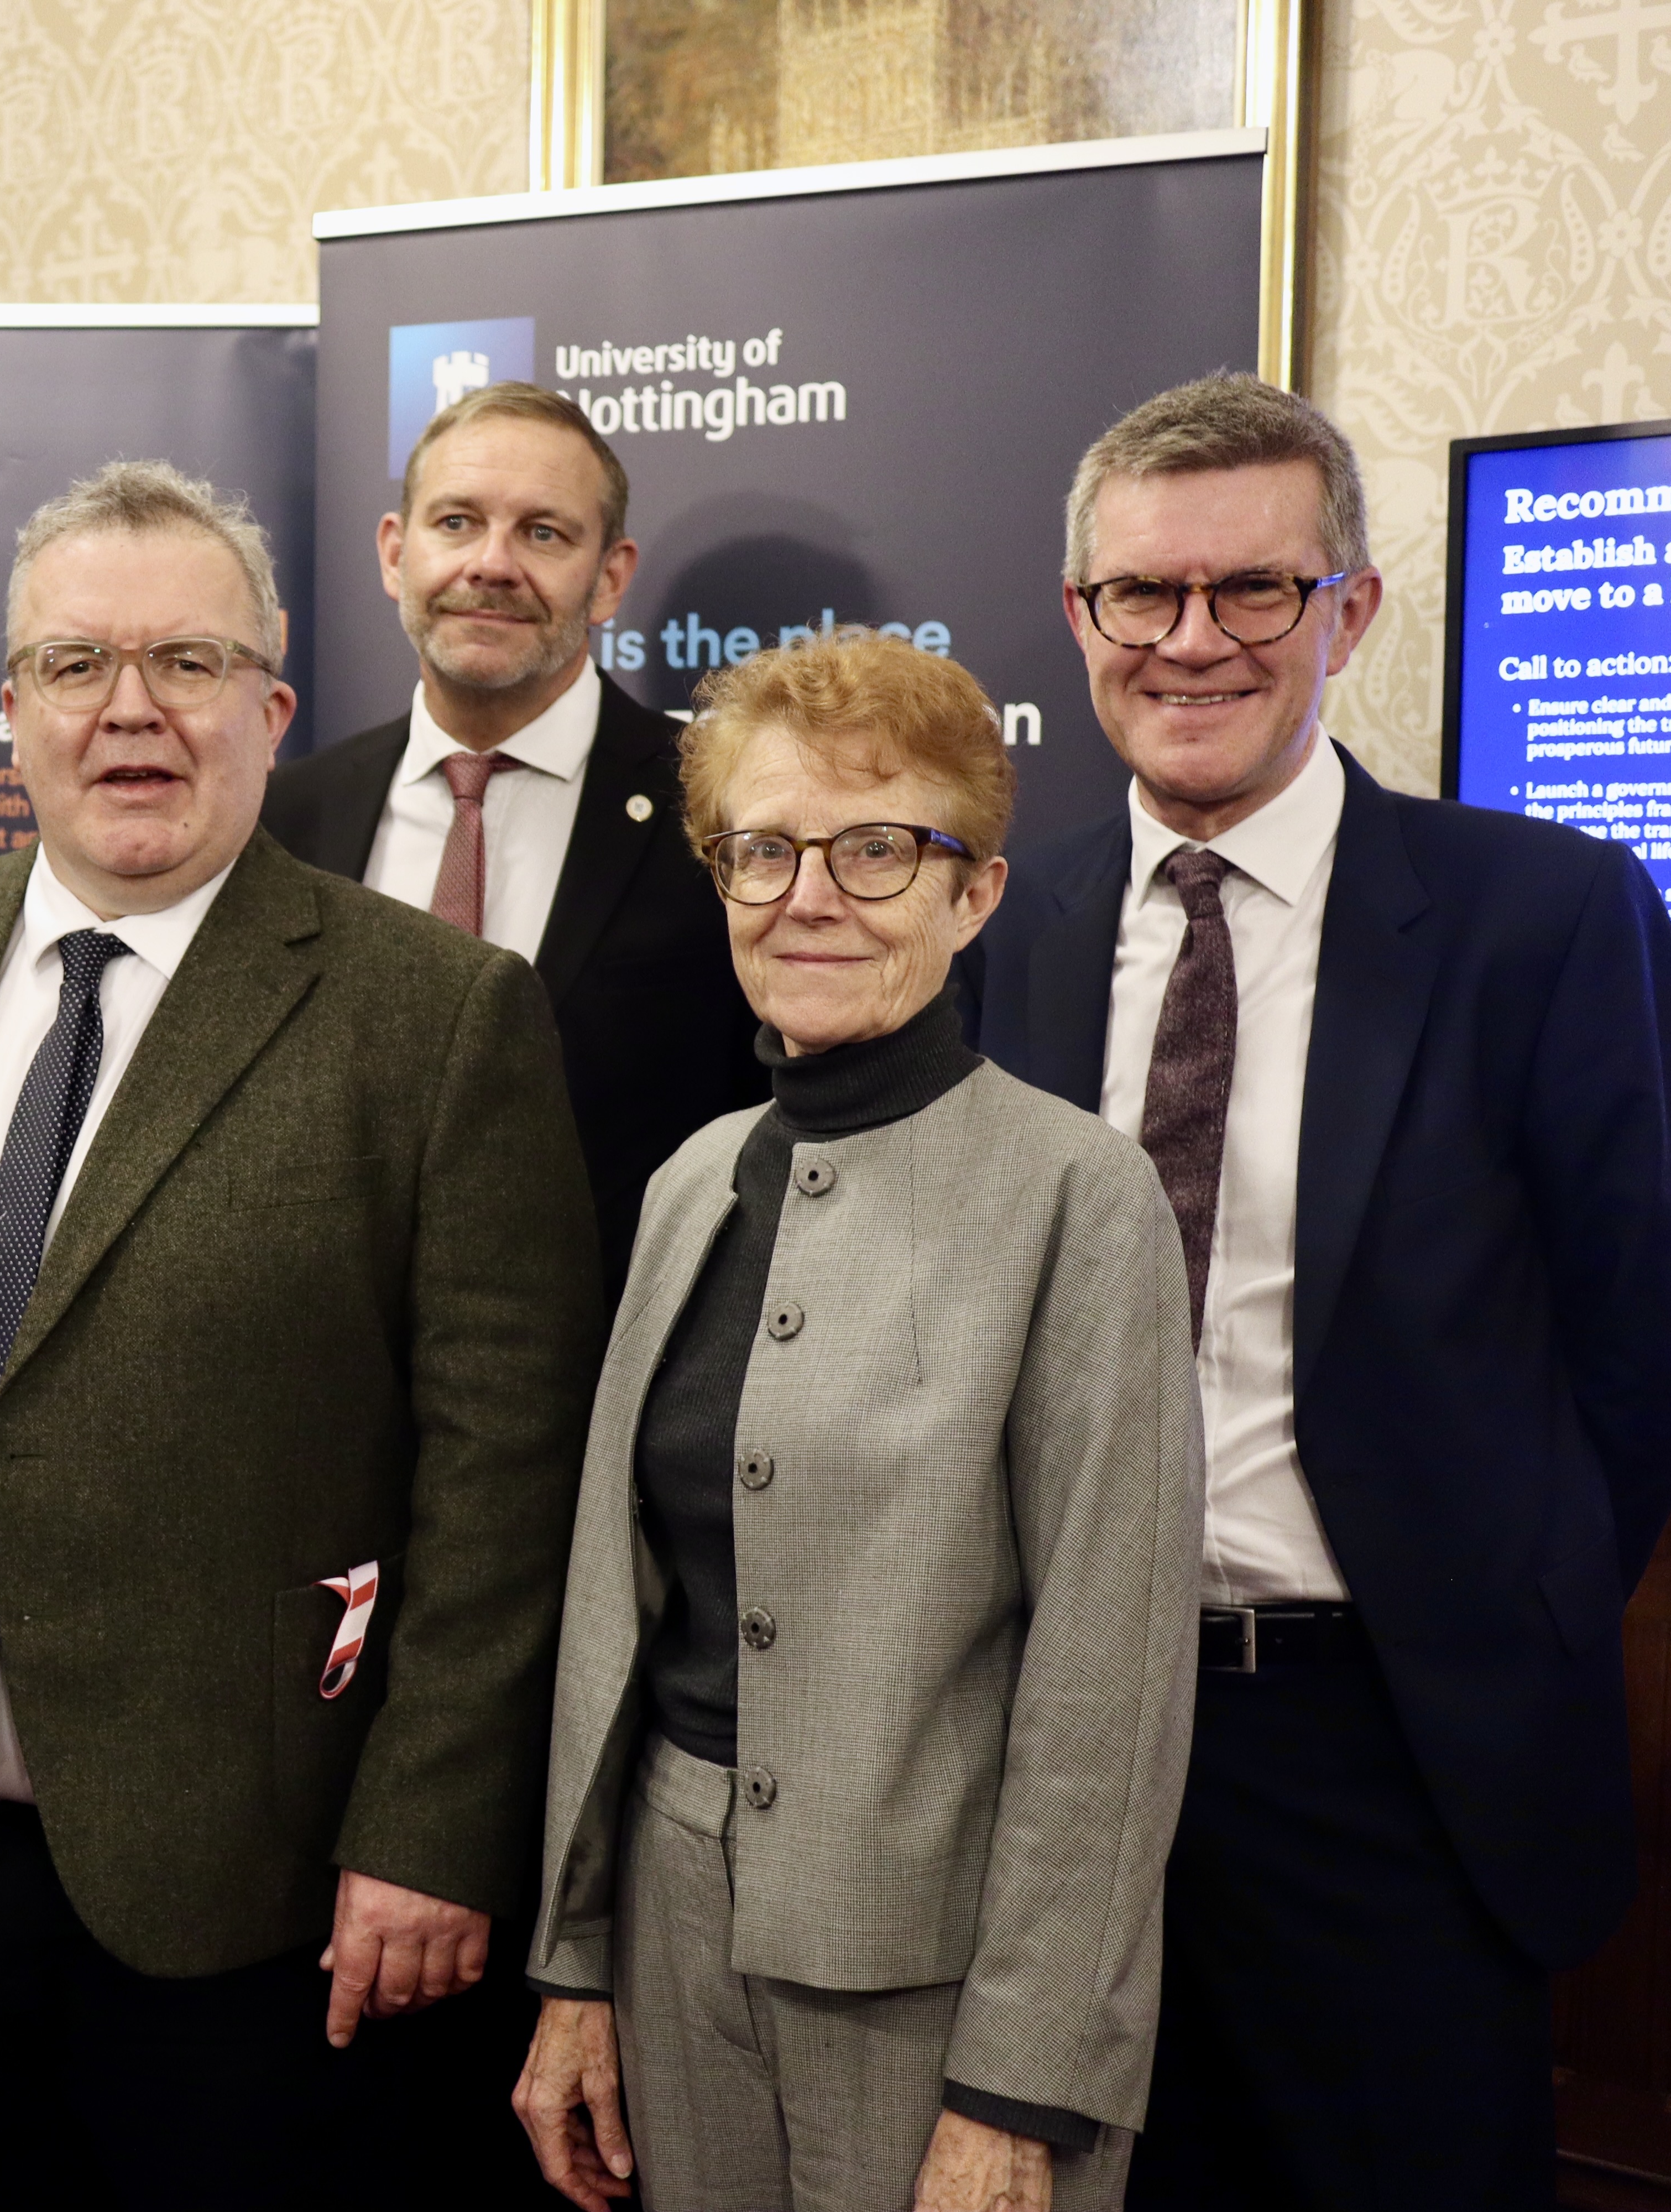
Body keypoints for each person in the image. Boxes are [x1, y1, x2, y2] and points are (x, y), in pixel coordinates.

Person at [0, 460, 605, 2208]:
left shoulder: (436, 1016)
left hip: (239, 1899)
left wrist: (425, 1829)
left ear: (270, 705)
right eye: (75, 666)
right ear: (5, 709)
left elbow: (500, 1484)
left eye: (185, 664)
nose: (130, 713)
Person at [964, 373, 1671, 2209]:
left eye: (1258, 591)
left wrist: (1484, 1603)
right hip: (1048, 1745)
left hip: (1384, 1754)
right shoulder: (1009, 924)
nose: (1194, 641)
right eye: (1141, 596)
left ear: (1353, 610)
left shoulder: (1545, 917)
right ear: (1080, 621)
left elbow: (1645, 1340)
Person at [515, 628, 1203, 2212]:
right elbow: (619, 1615)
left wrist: (1017, 2087)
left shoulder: (1079, 1199)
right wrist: (573, 1967)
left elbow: (1111, 1689)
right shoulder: (692, 1181)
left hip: (937, 1978)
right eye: (763, 849)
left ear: (974, 895)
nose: (808, 893)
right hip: (671, 1941)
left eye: (876, 847)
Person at [264, 381, 767, 1298]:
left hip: (612, 1395)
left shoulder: (724, 810)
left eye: (544, 533)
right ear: (394, 551)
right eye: (456, 522)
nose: (491, 564)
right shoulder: (283, 818)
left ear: (610, 577)